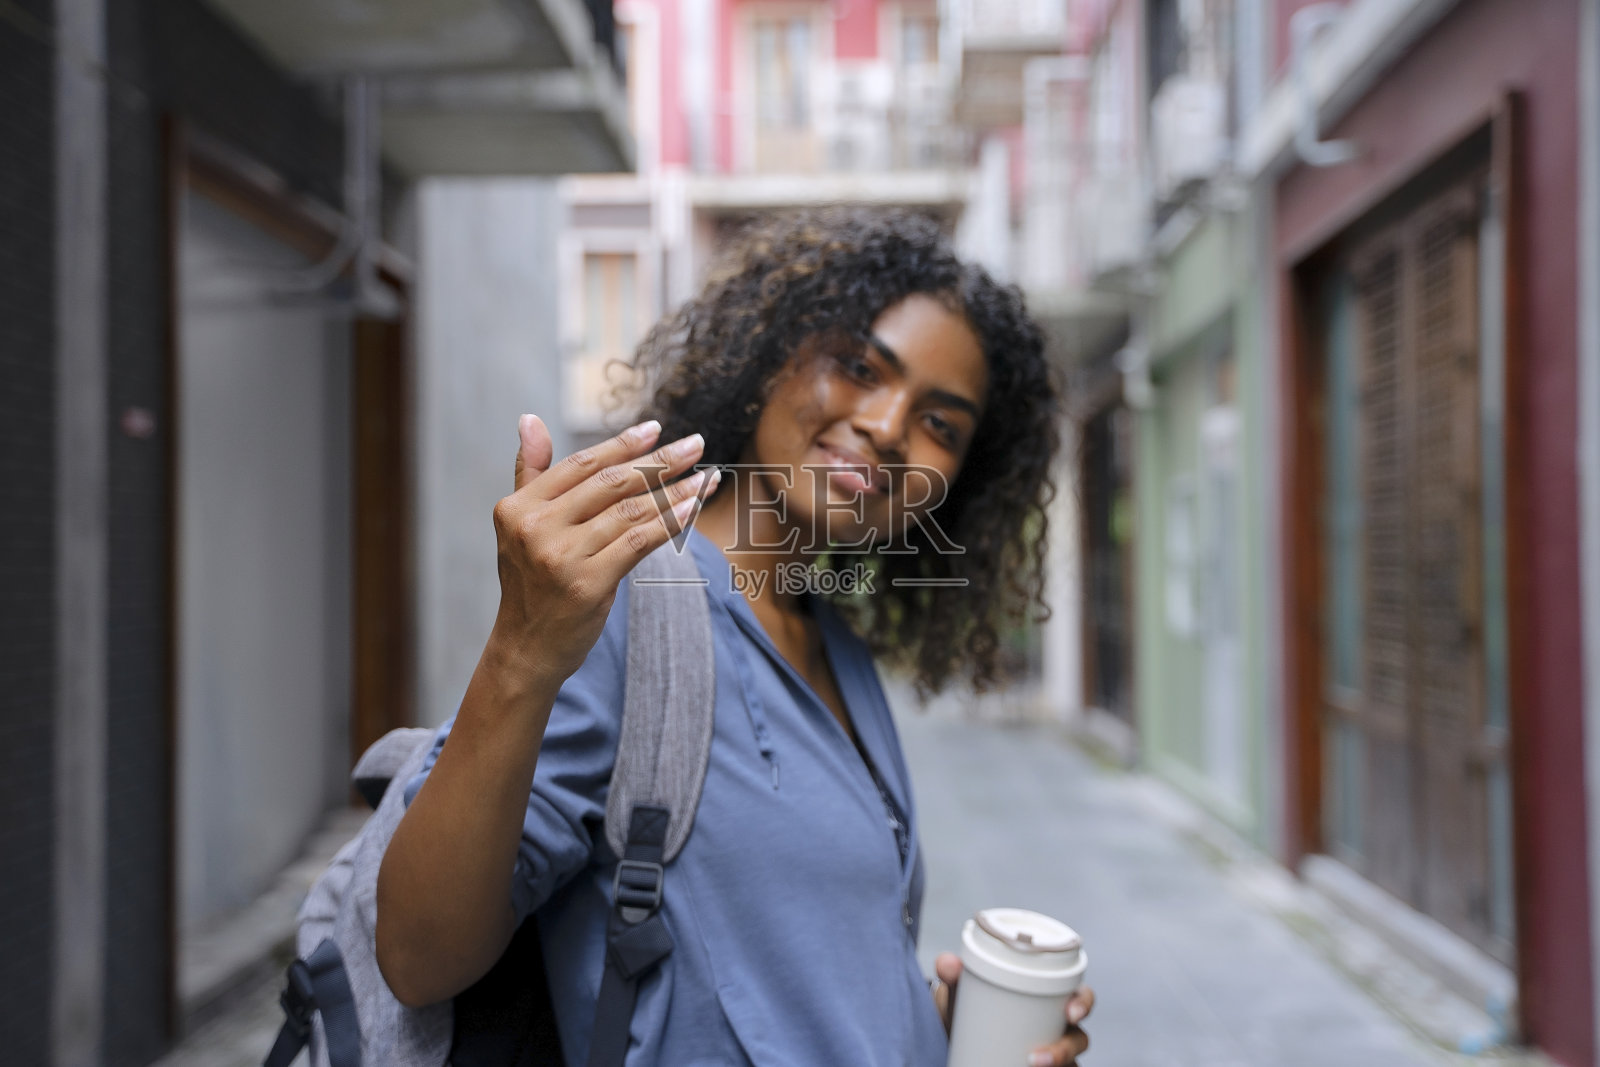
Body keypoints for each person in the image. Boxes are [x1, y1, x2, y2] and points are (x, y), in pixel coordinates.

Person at [375, 208, 1095, 1066]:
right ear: (770, 359)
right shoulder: (623, 604)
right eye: (859, 366)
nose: (889, 425)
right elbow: (417, 958)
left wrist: (921, 1027)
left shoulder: (834, 642)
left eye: (941, 424)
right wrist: (521, 652)